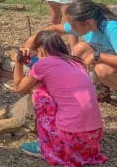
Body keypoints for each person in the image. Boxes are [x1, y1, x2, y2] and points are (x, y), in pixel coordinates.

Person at [43, 0, 117, 122]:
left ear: (87, 22)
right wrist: (29, 45)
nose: (71, 28)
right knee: (80, 48)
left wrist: (97, 56)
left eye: (72, 25)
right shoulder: (88, 26)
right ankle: (102, 89)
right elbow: (53, 29)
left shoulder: (113, 28)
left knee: (101, 68)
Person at [13, 31, 108, 166]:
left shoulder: (42, 65)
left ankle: (47, 144)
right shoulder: (77, 62)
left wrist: (18, 61)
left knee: (38, 89)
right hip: (93, 138)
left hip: (69, 139)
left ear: (40, 50)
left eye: (35, 51)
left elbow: (19, 88)